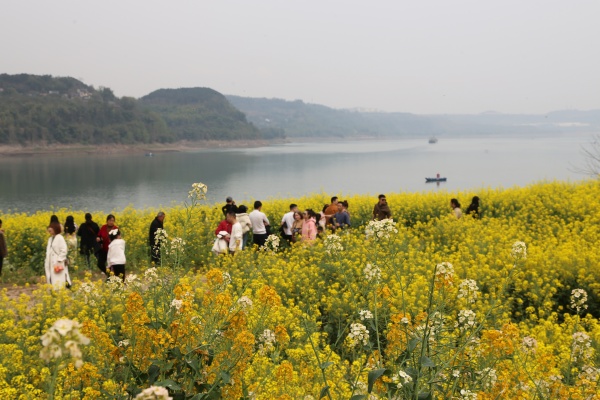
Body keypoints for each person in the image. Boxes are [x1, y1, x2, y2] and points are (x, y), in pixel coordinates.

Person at [44, 222, 71, 290]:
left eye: (51, 230)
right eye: (49, 231)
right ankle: (53, 289)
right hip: (51, 261)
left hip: (58, 262)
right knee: (52, 276)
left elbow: (64, 250)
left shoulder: (60, 238)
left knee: (59, 276)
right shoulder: (50, 239)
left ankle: (60, 289)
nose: (49, 232)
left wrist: (59, 259)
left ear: (55, 229)